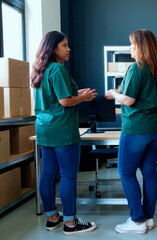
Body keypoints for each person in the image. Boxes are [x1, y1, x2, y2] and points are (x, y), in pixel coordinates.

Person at [31, 31, 97, 235]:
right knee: (68, 176)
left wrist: (78, 93)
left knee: (47, 174)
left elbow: (55, 97)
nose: (68, 49)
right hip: (63, 129)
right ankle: (70, 223)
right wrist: (84, 98)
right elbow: (64, 102)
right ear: (53, 48)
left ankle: (52, 218)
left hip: (45, 128)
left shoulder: (39, 70)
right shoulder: (58, 70)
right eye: (64, 45)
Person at [106, 29, 157, 234]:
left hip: (136, 128)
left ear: (141, 47)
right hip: (155, 127)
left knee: (126, 172)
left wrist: (115, 93)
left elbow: (129, 100)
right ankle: (148, 217)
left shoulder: (137, 68)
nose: (130, 48)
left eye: (132, 44)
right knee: (149, 173)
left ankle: (137, 221)